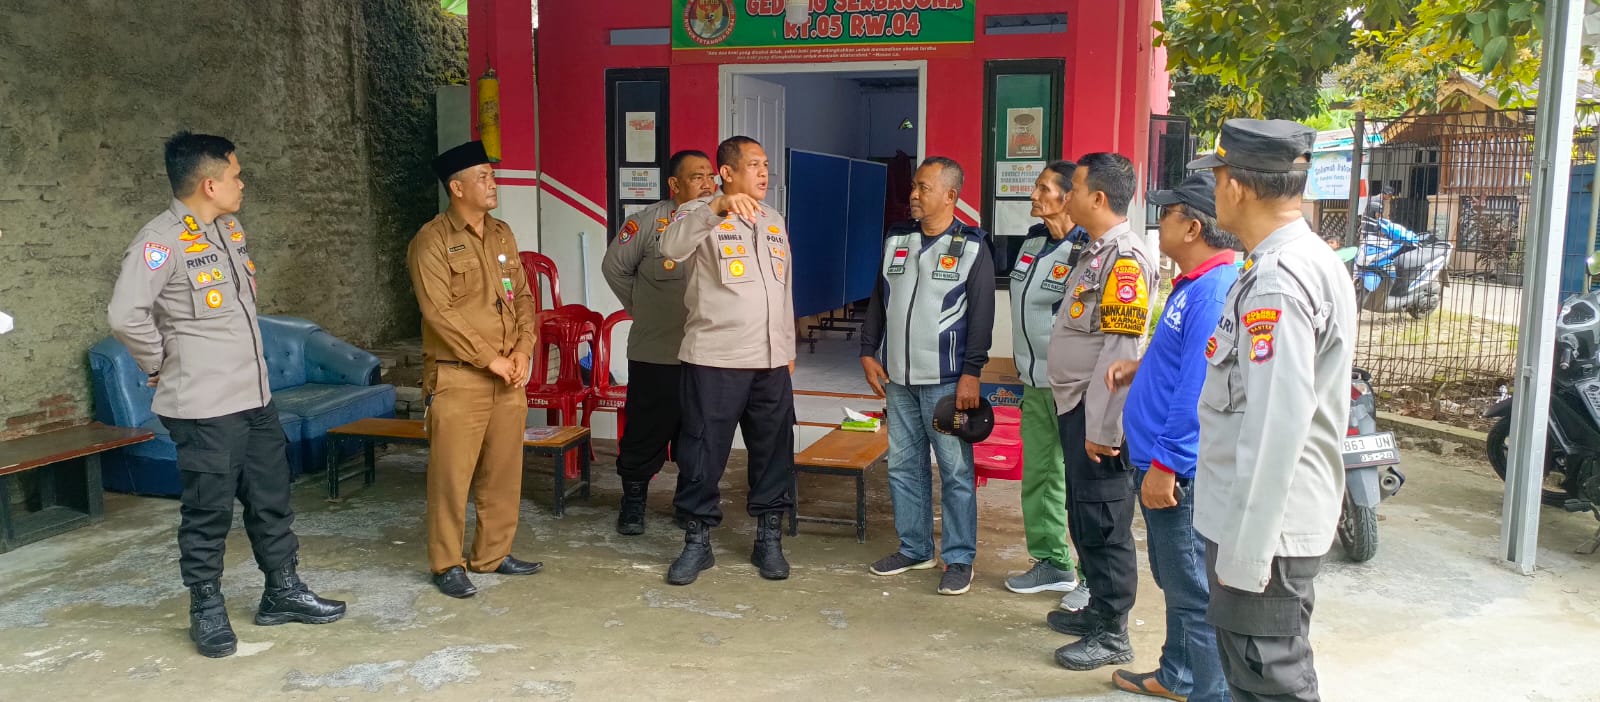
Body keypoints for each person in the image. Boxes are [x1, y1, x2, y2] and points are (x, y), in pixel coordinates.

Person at [108, 131, 346, 659]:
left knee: (271, 497)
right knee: (208, 510)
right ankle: (207, 609)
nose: (243, 184)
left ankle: (282, 591)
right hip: (203, 406)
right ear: (210, 184)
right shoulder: (159, 242)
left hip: (254, 397)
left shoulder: (229, 231)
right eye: (236, 175)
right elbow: (125, 316)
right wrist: (159, 363)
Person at [1189, 119, 1355, 702]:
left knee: (1270, 681)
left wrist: (1247, 554)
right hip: (1262, 521)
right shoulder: (1294, 261)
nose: (1214, 191)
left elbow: (1274, 427)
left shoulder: (1277, 282)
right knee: (1254, 676)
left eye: (1216, 179)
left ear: (1236, 187)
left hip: (1263, 530)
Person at [1104, 171, 1239, 701]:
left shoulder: (1213, 290)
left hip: (1177, 470)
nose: (1158, 225)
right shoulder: (1193, 285)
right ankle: (1177, 674)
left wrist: (1167, 464)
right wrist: (1139, 369)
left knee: (1194, 593)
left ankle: (1210, 692)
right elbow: (1186, 358)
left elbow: (1199, 388)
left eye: (1167, 215)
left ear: (1193, 227)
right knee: (1176, 582)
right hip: (1159, 459)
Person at [656, 136, 797, 586]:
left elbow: (784, 289)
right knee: (702, 452)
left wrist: (788, 348)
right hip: (715, 359)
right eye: (754, 165)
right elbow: (670, 248)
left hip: (770, 361)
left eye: (766, 164)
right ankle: (697, 542)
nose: (764, 173)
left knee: (773, 451)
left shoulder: (773, 219)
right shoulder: (697, 214)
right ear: (727, 173)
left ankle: (768, 539)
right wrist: (716, 208)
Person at [407, 140, 545, 599]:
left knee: (503, 472)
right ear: (457, 187)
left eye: (492, 175)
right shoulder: (431, 240)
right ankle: (447, 563)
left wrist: (523, 349)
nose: (493, 183)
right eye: (483, 176)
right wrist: (490, 359)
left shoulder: (502, 233)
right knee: (451, 477)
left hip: (508, 374)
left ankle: (493, 553)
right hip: (459, 376)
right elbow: (438, 313)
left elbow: (522, 296)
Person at [859, 157, 995, 597]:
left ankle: (959, 558)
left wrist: (972, 373)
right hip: (898, 379)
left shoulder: (972, 246)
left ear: (950, 196)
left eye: (923, 188)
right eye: (914, 186)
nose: (913, 194)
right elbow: (880, 298)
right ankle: (915, 548)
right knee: (903, 465)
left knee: (955, 471)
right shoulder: (897, 238)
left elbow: (982, 316)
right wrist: (867, 350)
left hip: (947, 381)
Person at [1041, 152, 1154, 671]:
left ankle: (1113, 633)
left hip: (1096, 411)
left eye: (1076, 188)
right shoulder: (1093, 251)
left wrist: (1104, 428)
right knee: (1083, 512)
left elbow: (1120, 349)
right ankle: (1097, 611)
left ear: (1099, 198)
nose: (1068, 197)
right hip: (1076, 404)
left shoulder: (1124, 259)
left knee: (1105, 520)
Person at [600, 149, 717, 536]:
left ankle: (688, 502)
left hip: (706, 355)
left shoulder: (723, 222)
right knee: (644, 432)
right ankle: (633, 502)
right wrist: (641, 307)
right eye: (697, 176)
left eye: (710, 176)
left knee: (697, 434)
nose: (707, 183)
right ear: (674, 184)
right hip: (657, 351)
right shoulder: (648, 223)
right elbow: (614, 267)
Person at [1000, 160, 1089, 599]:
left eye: (1042, 188)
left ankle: (1093, 577)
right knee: (1040, 475)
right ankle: (1054, 562)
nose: (1033, 195)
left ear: (1067, 197)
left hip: (1074, 388)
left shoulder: (1089, 250)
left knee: (1083, 484)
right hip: (1034, 383)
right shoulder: (1033, 241)